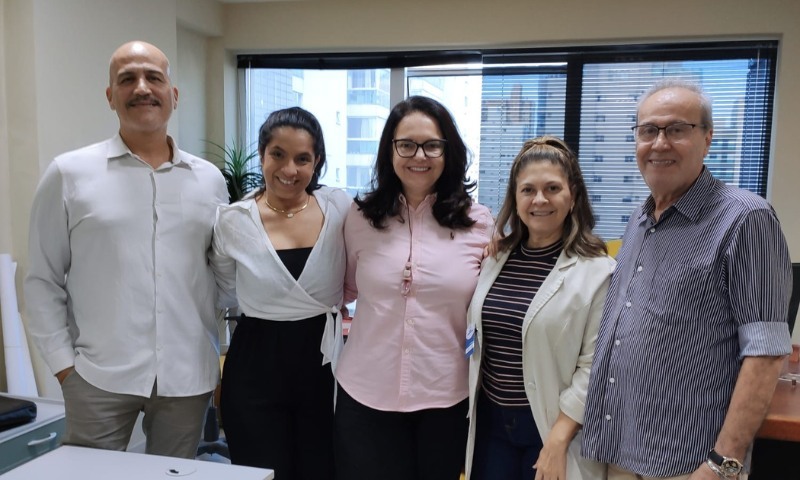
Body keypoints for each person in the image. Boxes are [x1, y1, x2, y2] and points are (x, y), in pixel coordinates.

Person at [24, 41, 228, 458]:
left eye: (154, 77)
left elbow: (220, 275)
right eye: (127, 79)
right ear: (110, 96)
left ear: (174, 94)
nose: (141, 88)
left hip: (186, 376)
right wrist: (65, 368)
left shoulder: (210, 180)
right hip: (97, 376)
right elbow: (43, 279)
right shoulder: (69, 173)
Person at [581, 78, 793, 480]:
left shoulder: (745, 219)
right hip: (621, 451)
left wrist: (722, 465)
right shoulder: (640, 219)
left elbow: (766, 355)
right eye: (648, 131)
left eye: (677, 129)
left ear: (708, 138)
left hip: (691, 464)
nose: (659, 143)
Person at [334, 96, 493, 480]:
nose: (418, 155)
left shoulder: (479, 222)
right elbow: (344, 290)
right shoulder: (359, 217)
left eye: (431, 144)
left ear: (447, 150)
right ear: (389, 150)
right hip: (365, 395)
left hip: (446, 398)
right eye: (406, 144)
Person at [210, 107, 350, 479]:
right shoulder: (233, 220)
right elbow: (224, 291)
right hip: (256, 363)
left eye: (302, 158)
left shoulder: (339, 208)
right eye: (278, 155)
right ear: (262, 154)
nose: (289, 170)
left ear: (317, 161)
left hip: (322, 363)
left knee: (322, 467)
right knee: (262, 470)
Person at [464, 136, 613, 480]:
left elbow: (596, 366)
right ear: (515, 199)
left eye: (552, 188)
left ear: (572, 195)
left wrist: (558, 439)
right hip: (491, 425)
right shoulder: (496, 259)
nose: (540, 199)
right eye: (528, 190)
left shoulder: (598, 271)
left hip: (550, 428)